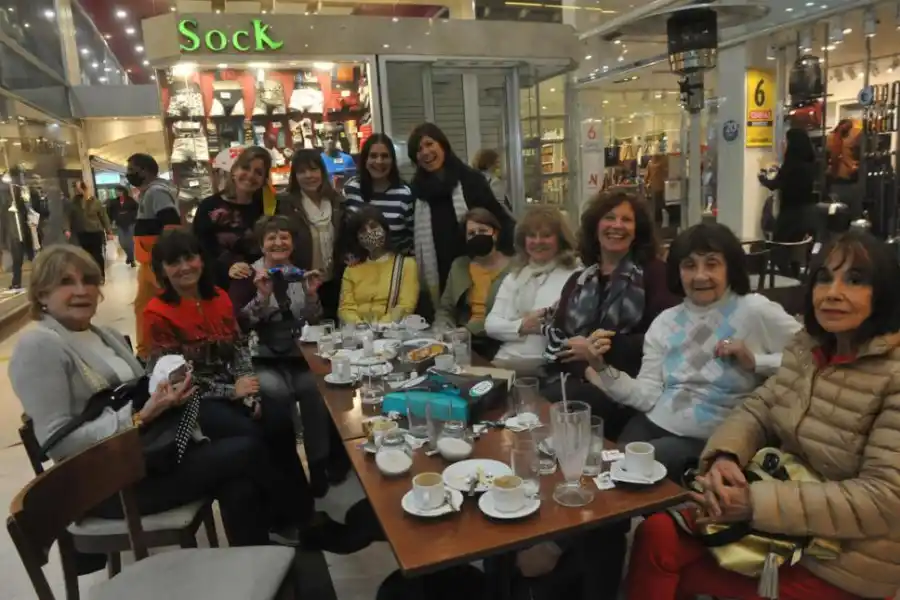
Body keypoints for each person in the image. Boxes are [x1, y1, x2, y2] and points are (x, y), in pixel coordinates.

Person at [627, 230, 900, 600]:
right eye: (824, 278)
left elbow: (885, 499)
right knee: (657, 533)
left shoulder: (892, 374)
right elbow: (758, 408)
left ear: (883, 291)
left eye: (854, 280)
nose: (833, 293)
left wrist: (755, 503)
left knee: (672, 557)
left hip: (841, 558)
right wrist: (726, 456)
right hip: (778, 515)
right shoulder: (811, 348)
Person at [9, 244, 277, 547]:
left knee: (239, 478)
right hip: (107, 485)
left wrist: (167, 393)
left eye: (89, 280)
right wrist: (140, 416)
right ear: (41, 294)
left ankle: (260, 557)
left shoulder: (104, 334)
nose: (82, 290)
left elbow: (138, 391)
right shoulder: (38, 346)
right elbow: (59, 443)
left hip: (149, 456)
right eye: (66, 282)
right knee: (247, 449)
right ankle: (290, 527)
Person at [585, 222, 801, 478]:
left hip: (713, 438)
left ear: (730, 267)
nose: (700, 276)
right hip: (654, 422)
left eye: (712, 264)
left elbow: (811, 358)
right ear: (677, 272)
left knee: (630, 471)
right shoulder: (665, 322)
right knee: (607, 468)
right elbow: (646, 395)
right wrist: (602, 369)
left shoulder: (755, 311)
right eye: (689, 265)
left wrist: (756, 361)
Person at [143, 229, 314, 545]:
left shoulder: (218, 297)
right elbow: (173, 382)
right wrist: (231, 393)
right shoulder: (157, 314)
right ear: (162, 270)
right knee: (251, 434)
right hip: (194, 402)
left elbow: (238, 348)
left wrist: (250, 392)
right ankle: (282, 517)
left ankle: (301, 516)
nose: (185, 267)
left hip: (235, 387)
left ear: (201, 259)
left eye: (190, 257)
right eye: (174, 262)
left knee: (279, 419)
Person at [541, 190, 679, 441]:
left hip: (634, 388)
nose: (617, 225)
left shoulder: (656, 274)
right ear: (595, 227)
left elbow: (666, 337)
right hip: (581, 380)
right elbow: (559, 341)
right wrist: (590, 370)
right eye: (609, 218)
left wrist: (600, 350)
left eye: (626, 220)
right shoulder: (578, 280)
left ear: (638, 230)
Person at [229, 215, 342, 496]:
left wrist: (312, 295)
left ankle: (318, 465)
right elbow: (240, 325)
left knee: (316, 391)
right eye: (271, 238)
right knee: (276, 393)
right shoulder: (247, 276)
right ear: (261, 244)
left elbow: (312, 321)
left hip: (298, 355)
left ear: (292, 243)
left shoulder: (299, 273)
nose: (278, 243)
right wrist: (261, 297)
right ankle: (288, 471)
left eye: (284, 237)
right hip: (261, 356)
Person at [408, 123, 515, 307]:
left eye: (429, 144)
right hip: (438, 269)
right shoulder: (417, 189)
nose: (425, 152)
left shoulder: (470, 179)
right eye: (418, 150)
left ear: (442, 144)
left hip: (475, 264)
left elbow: (499, 219)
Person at [485, 205, 578, 374]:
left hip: (549, 366)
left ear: (560, 239)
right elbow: (490, 325)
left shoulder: (575, 276)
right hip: (505, 360)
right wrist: (523, 325)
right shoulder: (514, 277)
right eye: (531, 235)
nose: (537, 242)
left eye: (546, 235)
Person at [276, 149, 345, 320]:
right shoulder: (285, 205)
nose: (309, 175)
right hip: (302, 283)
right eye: (302, 171)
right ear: (295, 176)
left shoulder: (336, 201)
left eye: (314, 169)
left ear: (322, 171)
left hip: (335, 282)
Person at [434, 208, 511, 359]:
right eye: (471, 233)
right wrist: (443, 328)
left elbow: (512, 316)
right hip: (462, 342)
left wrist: (469, 330)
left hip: (500, 342)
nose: (477, 236)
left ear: (495, 234)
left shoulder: (515, 268)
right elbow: (445, 309)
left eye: (482, 231)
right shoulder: (459, 266)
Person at [127, 153, 182, 359]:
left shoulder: (156, 192)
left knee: (165, 304)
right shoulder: (149, 192)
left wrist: (164, 256)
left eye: (132, 169)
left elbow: (171, 223)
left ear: (145, 170)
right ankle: (146, 352)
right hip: (148, 260)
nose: (129, 174)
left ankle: (160, 350)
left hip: (155, 260)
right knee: (143, 306)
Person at [194, 146, 270, 290]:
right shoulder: (208, 206)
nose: (250, 175)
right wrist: (228, 266)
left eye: (258, 172)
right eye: (245, 168)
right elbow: (201, 249)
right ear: (234, 170)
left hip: (259, 285)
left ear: (264, 180)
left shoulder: (267, 208)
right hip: (219, 286)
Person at [339, 205, 419, 324]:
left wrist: (380, 326)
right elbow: (345, 308)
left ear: (385, 229)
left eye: (373, 226)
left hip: (391, 331)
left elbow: (406, 306)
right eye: (363, 230)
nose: (369, 232)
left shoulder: (407, 265)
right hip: (358, 330)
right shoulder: (351, 269)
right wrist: (360, 326)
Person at [343, 133, 416, 255]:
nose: (379, 161)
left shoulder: (405, 194)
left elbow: (413, 237)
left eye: (385, 156)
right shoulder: (351, 188)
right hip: (357, 265)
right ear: (365, 160)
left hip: (395, 264)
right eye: (373, 156)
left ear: (392, 161)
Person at [758, 128, 816, 276]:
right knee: (796, 249)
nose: (784, 144)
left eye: (786, 141)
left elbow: (775, 184)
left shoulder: (791, 165)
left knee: (778, 249)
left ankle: (786, 277)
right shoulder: (809, 165)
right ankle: (796, 278)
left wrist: (762, 177)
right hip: (806, 214)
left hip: (789, 214)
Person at [69, 180, 113, 280]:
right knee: (86, 256)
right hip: (81, 232)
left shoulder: (95, 201)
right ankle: (90, 276)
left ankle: (100, 275)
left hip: (95, 231)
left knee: (97, 254)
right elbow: (69, 216)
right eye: (76, 188)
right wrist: (67, 229)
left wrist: (109, 231)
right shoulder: (74, 202)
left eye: (79, 188)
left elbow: (104, 217)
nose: (77, 190)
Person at [0, 180, 35, 290]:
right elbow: (3, 224)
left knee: (33, 258)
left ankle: (40, 279)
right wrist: (3, 240)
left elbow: (30, 214)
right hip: (15, 238)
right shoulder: (6, 209)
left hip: (26, 236)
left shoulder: (22, 205)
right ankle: (16, 283)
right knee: (17, 261)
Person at [106, 185, 138, 267]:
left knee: (130, 242)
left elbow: (136, 210)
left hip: (130, 223)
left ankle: (132, 260)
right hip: (120, 224)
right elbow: (110, 212)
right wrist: (112, 221)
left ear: (122, 191)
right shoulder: (114, 202)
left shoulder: (131, 200)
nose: (116, 193)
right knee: (122, 242)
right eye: (116, 191)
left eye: (118, 191)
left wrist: (129, 215)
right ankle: (130, 256)